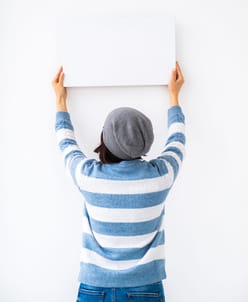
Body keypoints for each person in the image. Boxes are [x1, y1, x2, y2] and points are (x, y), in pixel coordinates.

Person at [52, 62, 185, 302]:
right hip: (145, 287)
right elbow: (177, 140)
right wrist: (174, 96)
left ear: (105, 139)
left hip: (94, 287)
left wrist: (61, 101)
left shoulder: (89, 176)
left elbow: (66, 144)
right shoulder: (160, 176)